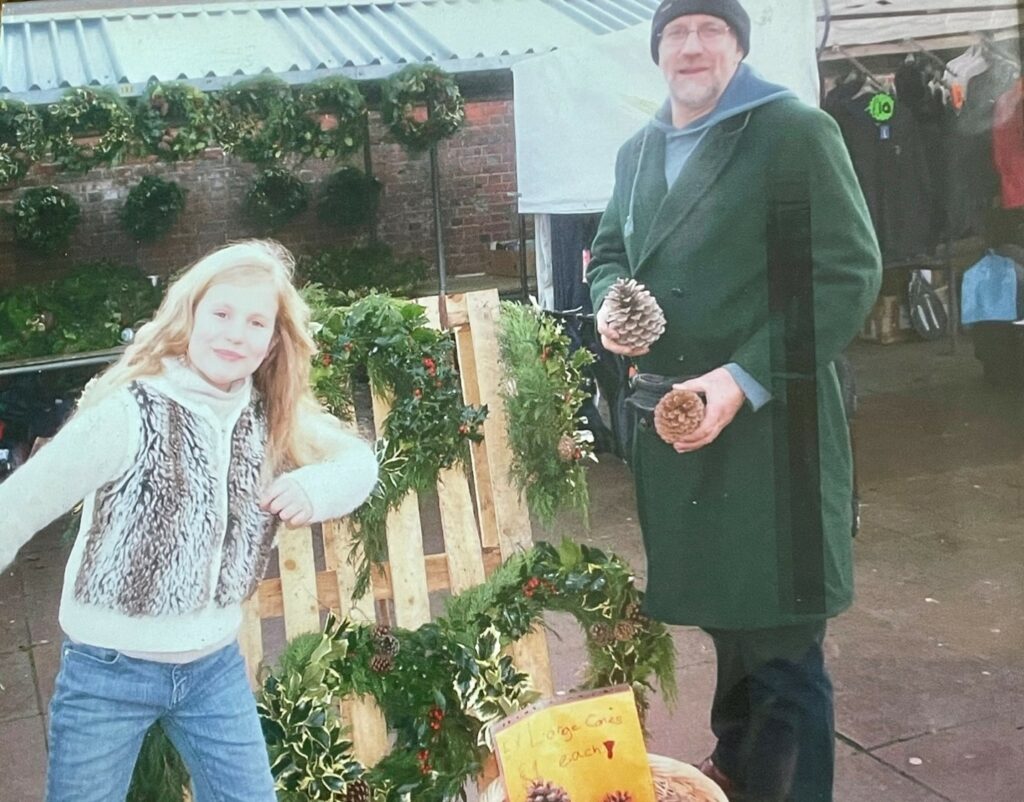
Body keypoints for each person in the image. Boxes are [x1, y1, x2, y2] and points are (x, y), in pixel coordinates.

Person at [587, 1, 882, 800]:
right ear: (657, 52)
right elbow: (609, 251)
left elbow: (849, 272)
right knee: (732, 632)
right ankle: (743, 780)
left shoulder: (793, 132)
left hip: (773, 434)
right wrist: (613, 300)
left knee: (784, 651)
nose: (691, 46)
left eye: (710, 29)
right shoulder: (638, 151)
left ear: (739, 46)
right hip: (674, 433)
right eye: (675, 33)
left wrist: (738, 379)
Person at [0, 240, 379, 801]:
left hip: (212, 668)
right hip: (107, 671)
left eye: (256, 322)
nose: (234, 334)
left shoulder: (271, 415)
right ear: (190, 315)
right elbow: (24, 501)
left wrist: (312, 487)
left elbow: (358, 462)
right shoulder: (133, 411)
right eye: (221, 314)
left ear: (275, 339)